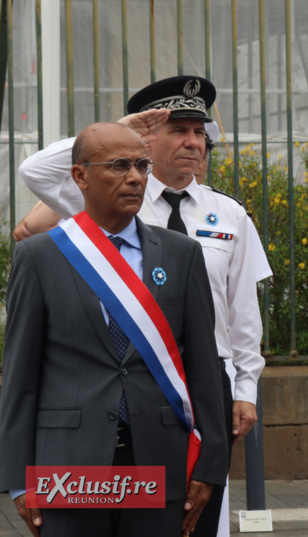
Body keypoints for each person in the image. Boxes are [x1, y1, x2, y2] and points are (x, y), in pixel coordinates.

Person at [18, 76, 273, 537]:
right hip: (92, 415)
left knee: (194, 520)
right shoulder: (106, 196)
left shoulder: (229, 214)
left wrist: (245, 388)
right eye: (180, 130)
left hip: (191, 391)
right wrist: (123, 128)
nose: (194, 143)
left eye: (201, 133)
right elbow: (37, 171)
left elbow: (242, 316)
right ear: (150, 139)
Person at [0, 122, 227, 536]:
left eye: (142, 165)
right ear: (80, 176)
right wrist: (18, 478)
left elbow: (204, 370)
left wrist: (211, 465)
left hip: (159, 460)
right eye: (120, 166)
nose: (136, 177)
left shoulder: (182, 254)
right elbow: (20, 378)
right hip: (69, 468)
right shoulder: (39, 257)